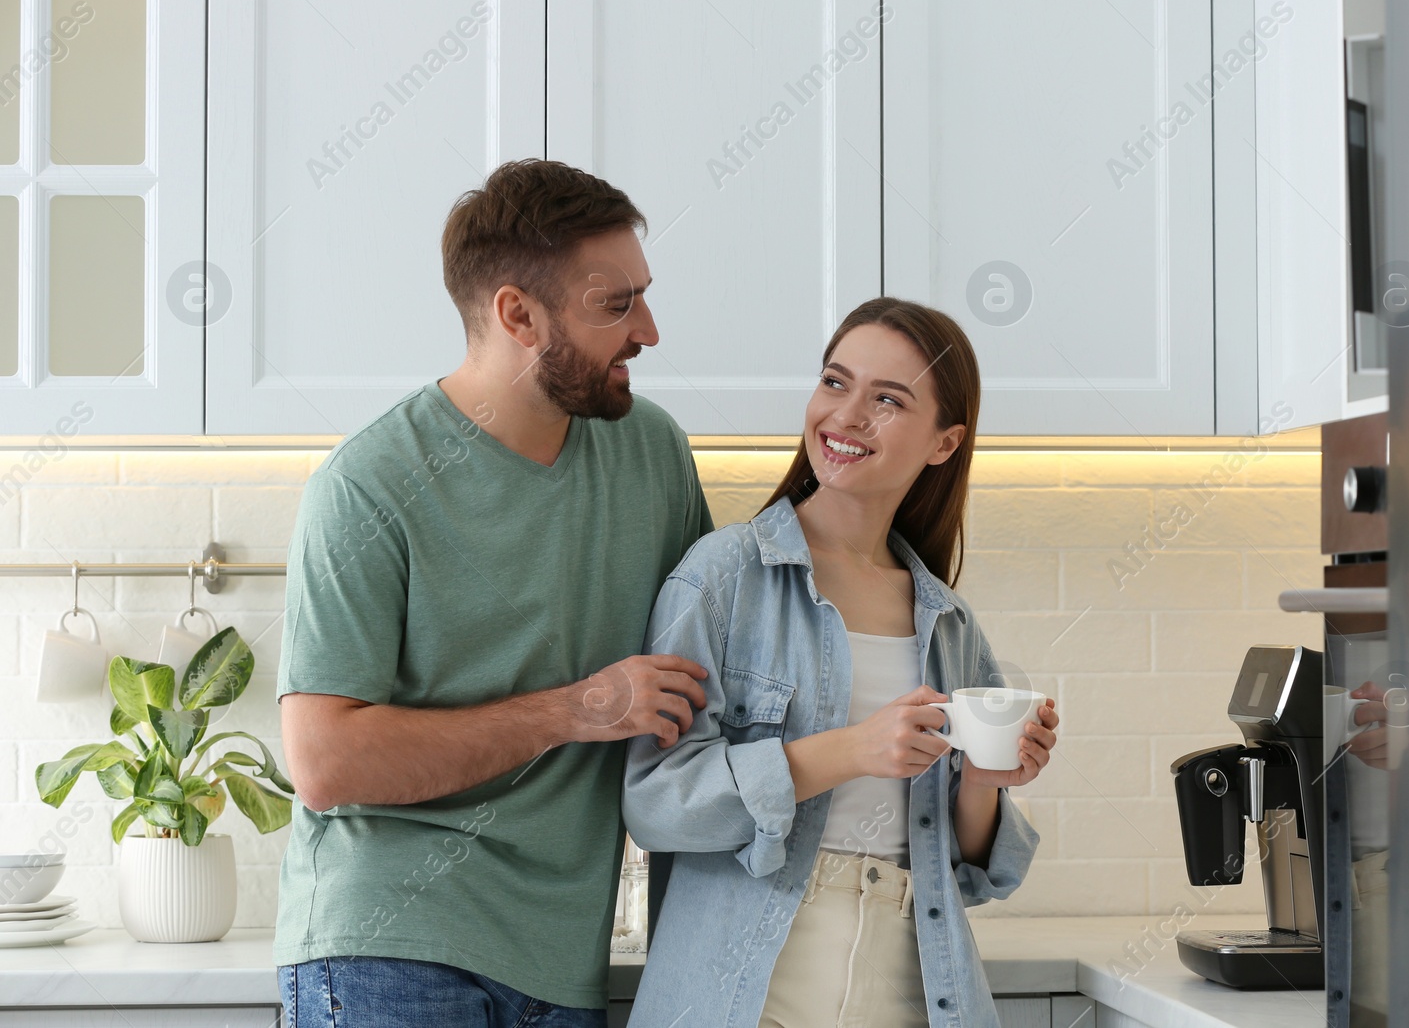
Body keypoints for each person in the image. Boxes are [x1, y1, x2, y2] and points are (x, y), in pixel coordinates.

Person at [273, 158, 714, 1028]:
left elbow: (725, 650)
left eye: (643, 295)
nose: (649, 331)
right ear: (518, 313)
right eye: (615, 305)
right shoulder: (368, 484)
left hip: (562, 957)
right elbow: (326, 762)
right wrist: (578, 710)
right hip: (389, 944)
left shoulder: (652, 454)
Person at [623, 298, 1059, 1028]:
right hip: (749, 987)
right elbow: (657, 801)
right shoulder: (725, 575)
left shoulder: (949, 622)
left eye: (887, 399)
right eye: (835, 382)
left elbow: (967, 870)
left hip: (912, 985)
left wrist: (983, 779)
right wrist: (852, 749)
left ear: (944, 442)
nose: (847, 415)